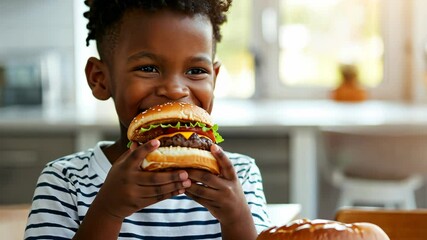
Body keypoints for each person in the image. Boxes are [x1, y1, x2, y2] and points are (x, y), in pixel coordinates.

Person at [24, 0, 270, 239]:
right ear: (100, 79)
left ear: (214, 79)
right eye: (148, 68)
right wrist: (108, 211)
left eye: (196, 71)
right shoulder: (65, 181)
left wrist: (237, 218)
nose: (175, 90)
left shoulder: (240, 176)